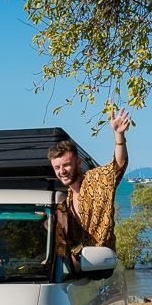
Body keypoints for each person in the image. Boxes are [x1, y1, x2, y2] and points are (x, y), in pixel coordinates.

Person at [49, 108, 130, 255]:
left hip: (103, 264)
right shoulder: (63, 202)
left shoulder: (96, 179)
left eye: (66, 165)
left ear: (78, 163)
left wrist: (119, 135)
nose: (62, 171)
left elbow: (118, 165)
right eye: (57, 167)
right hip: (79, 268)